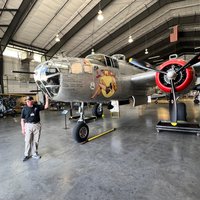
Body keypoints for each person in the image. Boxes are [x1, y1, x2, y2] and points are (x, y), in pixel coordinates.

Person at [21, 94, 49, 162]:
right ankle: (27, 155)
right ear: (26, 101)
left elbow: (46, 106)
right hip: (28, 126)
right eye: (27, 101)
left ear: (32, 101)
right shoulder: (24, 109)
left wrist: (47, 98)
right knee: (27, 141)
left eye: (30, 100)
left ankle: (34, 153)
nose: (28, 102)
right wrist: (23, 128)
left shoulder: (37, 107)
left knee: (36, 140)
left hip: (37, 125)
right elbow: (22, 120)